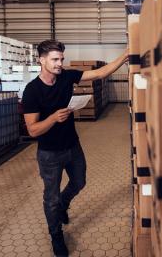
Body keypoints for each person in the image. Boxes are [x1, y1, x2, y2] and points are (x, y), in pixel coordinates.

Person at [21, 39, 128, 257]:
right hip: (49, 154)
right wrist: (52, 118)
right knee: (50, 198)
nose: (60, 63)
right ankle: (56, 236)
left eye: (61, 59)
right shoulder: (32, 91)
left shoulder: (67, 76)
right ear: (41, 60)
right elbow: (32, 130)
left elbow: (100, 73)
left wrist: (126, 56)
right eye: (55, 60)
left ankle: (63, 204)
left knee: (79, 181)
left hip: (72, 145)